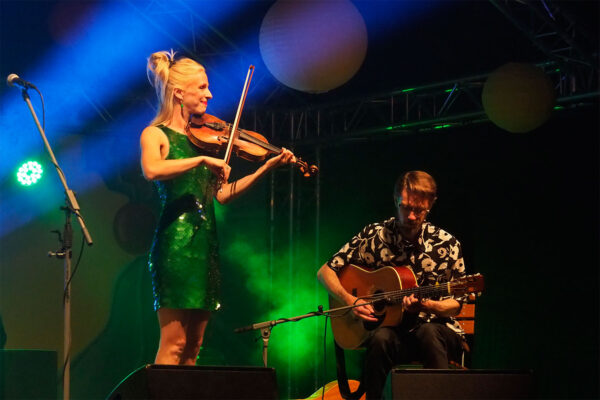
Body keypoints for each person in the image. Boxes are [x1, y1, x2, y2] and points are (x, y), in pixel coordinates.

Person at [141, 50, 295, 365]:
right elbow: (152, 169)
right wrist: (200, 159)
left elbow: (222, 196)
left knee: (194, 347)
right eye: (202, 87)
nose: (210, 94)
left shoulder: (207, 138)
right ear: (179, 93)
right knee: (174, 344)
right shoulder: (156, 134)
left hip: (205, 246)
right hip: (175, 246)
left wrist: (266, 167)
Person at [317, 171, 467, 399]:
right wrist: (350, 300)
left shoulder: (447, 244)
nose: (412, 216)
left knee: (428, 332)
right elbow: (325, 272)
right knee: (381, 338)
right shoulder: (375, 236)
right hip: (396, 333)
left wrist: (427, 306)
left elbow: (455, 305)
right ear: (395, 200)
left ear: (432, 204)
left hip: (438, 331)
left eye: (420, 210)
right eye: (405, 207)